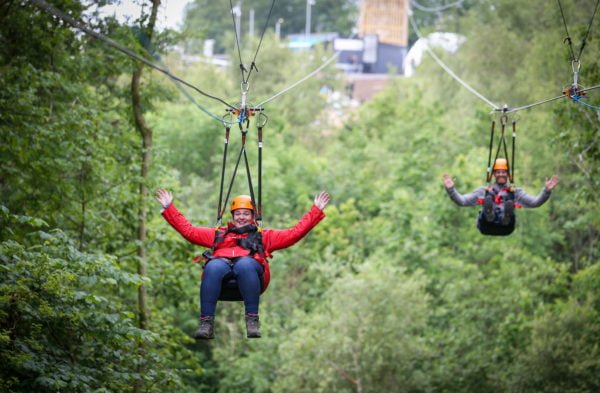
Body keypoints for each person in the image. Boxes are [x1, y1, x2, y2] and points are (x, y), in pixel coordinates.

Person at [155, 189, 330, 339]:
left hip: (251, 277)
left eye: (246, 214)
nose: (241, 217)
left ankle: (252, 320)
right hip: (221, 280)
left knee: (244, 264)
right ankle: (206, 322)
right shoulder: (219, 235)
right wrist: (169, 208)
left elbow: (294, 234)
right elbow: (189, 231)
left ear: (253, 216)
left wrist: (315, 211)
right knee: (213, 265)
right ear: (232, 216)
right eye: (238, 214)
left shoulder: (263, 237)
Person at [442, 158, 559, 235]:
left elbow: (535, 202)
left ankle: (506, 216)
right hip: (485, 226)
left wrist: (546, 191)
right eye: (498, 172)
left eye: (504, 172)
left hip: (506, 227)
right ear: (493, 174)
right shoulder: (483, 191)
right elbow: (462, 201)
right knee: (489, 198)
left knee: (508, 201)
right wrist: (451, 190)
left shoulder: (515, 192)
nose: (501, 174)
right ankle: (489, 214)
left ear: (508, 175)